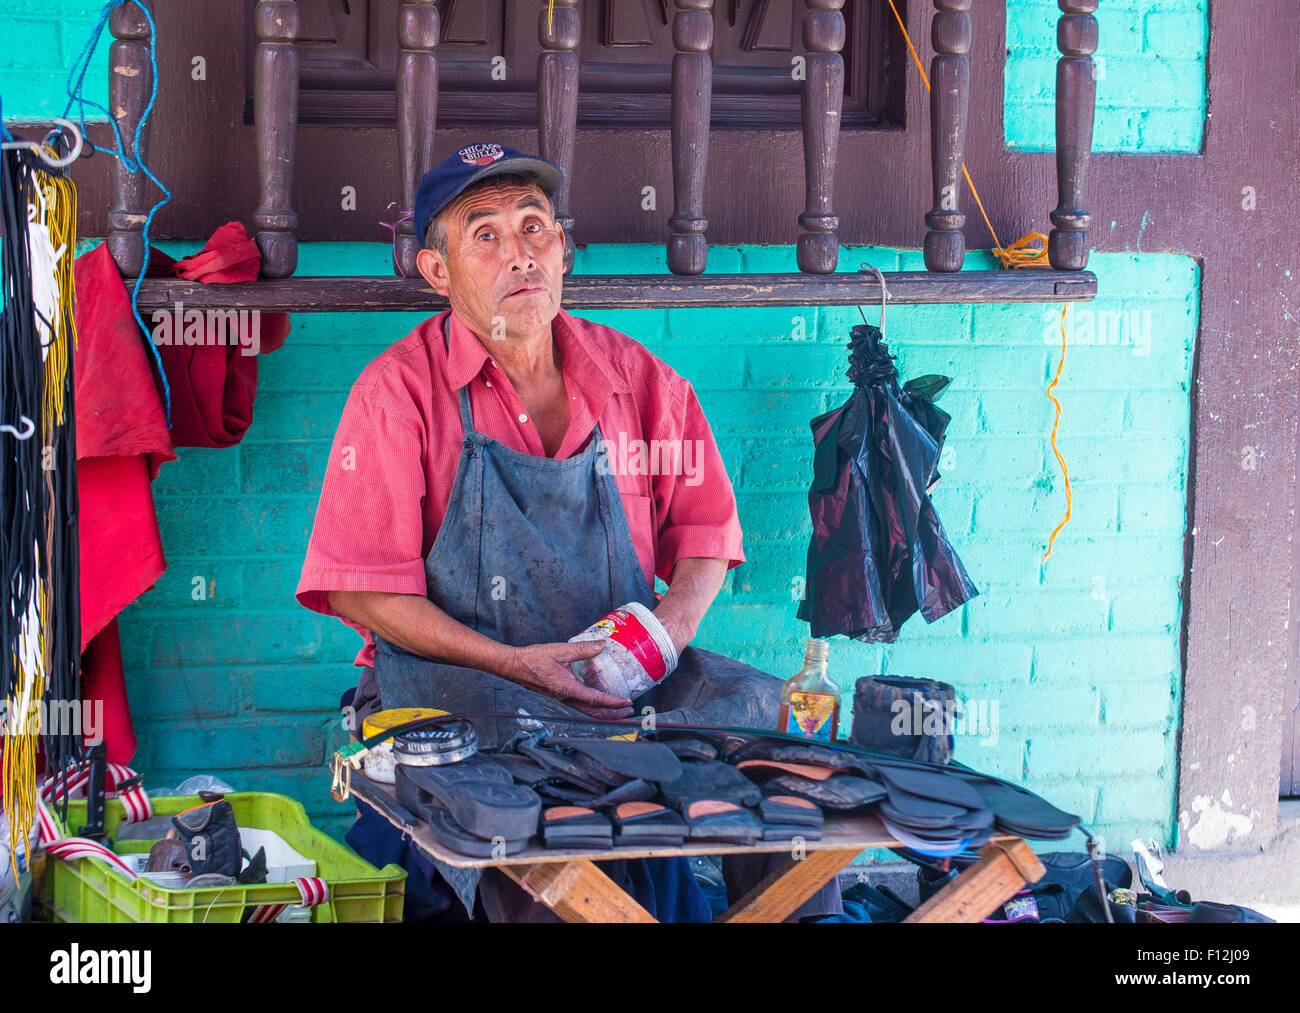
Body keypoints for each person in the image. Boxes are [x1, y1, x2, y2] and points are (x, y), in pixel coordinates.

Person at [297, 142, 840, 922]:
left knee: (778, 737)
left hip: (612, 678)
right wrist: (516, 663)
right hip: (465, 684)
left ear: (563, 249)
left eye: (533, 227)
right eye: (484, 234)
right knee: (536, 824)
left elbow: (708, 532)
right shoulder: (397, 394)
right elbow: (361, 587)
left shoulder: (636, 377)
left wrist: (661, 638)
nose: (518, 254)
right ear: (437, 272)